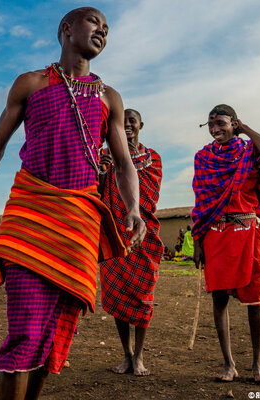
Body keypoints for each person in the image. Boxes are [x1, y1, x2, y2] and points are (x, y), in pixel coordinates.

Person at [0, 7, 146, 400]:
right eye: (93, 22)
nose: (102, 30)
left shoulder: (109, 97)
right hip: (30, 215)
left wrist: (133, 208)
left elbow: (122, 163)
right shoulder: (31, 84)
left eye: (107, 28)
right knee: (26, 332)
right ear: (66, 29)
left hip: (79, 224)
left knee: (53, 337)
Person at [192, 104, 260, 383]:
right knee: (219, 300)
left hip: (248, 234)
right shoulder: (203, 157)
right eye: (210, 125)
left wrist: (243, 127)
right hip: (216, 233)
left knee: (254, 299)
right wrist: (198, 242)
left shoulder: (249, 150)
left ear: (233, 123)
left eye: (220, 123)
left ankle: (258, 363)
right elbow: (201, 202)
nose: (215, 129)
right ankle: (228, 364)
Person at [98, 108, 162, 376]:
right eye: (121, 123)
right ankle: (126, 354)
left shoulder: (152, 159)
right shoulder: (103, 156)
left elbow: (151, 196)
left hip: (142, 234)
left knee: (143, 296)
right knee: (116, 295)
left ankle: (139, 356)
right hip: (113, 234)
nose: (126, 126)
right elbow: (97, 193)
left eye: (131, 122)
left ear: (141, 125)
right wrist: (102, 174)